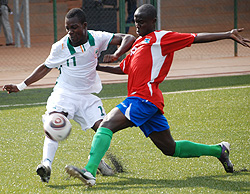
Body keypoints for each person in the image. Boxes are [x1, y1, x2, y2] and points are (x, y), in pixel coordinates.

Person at [64, 4, 250, 187]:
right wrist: (97, 66)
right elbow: (124, 68)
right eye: (136, 22)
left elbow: (195, 37)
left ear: (153, 21)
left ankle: (89, 172)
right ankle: (220, 150)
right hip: (148, 101)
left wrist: (227, 34)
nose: (138, 26)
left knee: (106, 124)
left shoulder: (162, 37)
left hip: (143, 97)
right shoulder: (137, 43)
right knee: (170, 148)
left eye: (142, 22)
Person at [3, 8, 135, 183]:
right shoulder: (61, 47)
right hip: (64, 94)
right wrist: (21, 86)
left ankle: (96, 163)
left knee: (104, 128)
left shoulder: (97, 37)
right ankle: (46, 166)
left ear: (84, 26)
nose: (70, 32)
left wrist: (117, 54)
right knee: (54, 124)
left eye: (74, 27)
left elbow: (129, 38)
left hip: (88, 96)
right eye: (67, 28)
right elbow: (45, 67)